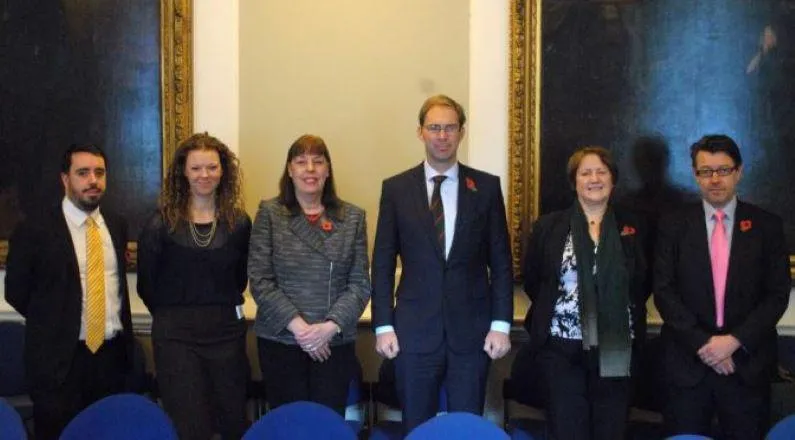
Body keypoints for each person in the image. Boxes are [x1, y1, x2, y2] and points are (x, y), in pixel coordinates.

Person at [371, 94, 514, 434]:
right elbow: (382, 261)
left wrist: (501, 324)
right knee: (416, 427)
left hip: (472, 334)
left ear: (461, 132)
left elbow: (502, 262)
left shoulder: (487, 187)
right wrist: (382, 325)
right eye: (434, 127)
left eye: (450, 127)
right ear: (420, 132)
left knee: (466, 429)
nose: (442, 135)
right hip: (413, 334)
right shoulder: (396, 189)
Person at [654, 134, 791, 439]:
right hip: (687, 368)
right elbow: (664, 290)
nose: (715, 179)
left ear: (739, 171)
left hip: (746, 367)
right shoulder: (673, 224)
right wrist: (705, 345)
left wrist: (733, 341)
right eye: (706, 171)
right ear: (695, 175)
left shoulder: (766, 226)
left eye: (723, 170)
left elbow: (777, 294)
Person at [4, 143, 134, 440]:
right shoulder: (34, 230)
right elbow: (16, 291)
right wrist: (55, 322)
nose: (93, 180)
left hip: (111, 358)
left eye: (99, 173)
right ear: (65, 179)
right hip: (59, 363)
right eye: (83, 173)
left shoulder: (116, 224)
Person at [522, 146, 649, 440]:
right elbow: (535, 280)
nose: (594, 179)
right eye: (586, 172)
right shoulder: (550, 226)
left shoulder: (634, 227)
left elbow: (644, 281)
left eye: (601, 172)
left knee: (611, 430)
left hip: (617, 348)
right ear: (574, 181)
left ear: (613, 180)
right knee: (567, 431)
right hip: (561, 350)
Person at [136, 133, 251, 440]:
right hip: (176, 339)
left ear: (223, 171)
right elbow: (147, 286)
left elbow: (240, 278)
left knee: (232, 422)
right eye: (196, 168)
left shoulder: (239, 223)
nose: (204, 175)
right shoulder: (159, 224)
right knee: (191, 427)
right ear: (183, 172)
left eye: (212, 167)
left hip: (227, 334)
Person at [248, 134, 370, 416]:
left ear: (328, 169)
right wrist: (301, 330)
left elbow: (360, 284)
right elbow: (261, 279)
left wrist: (327, 328)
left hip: (333, 343)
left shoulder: (353, 217)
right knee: (289, 426)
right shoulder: (270, 214)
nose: (310, 169)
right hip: (282, 341)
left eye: (318, 161)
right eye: (301, 162)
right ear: (290, 170)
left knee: (325, 425)